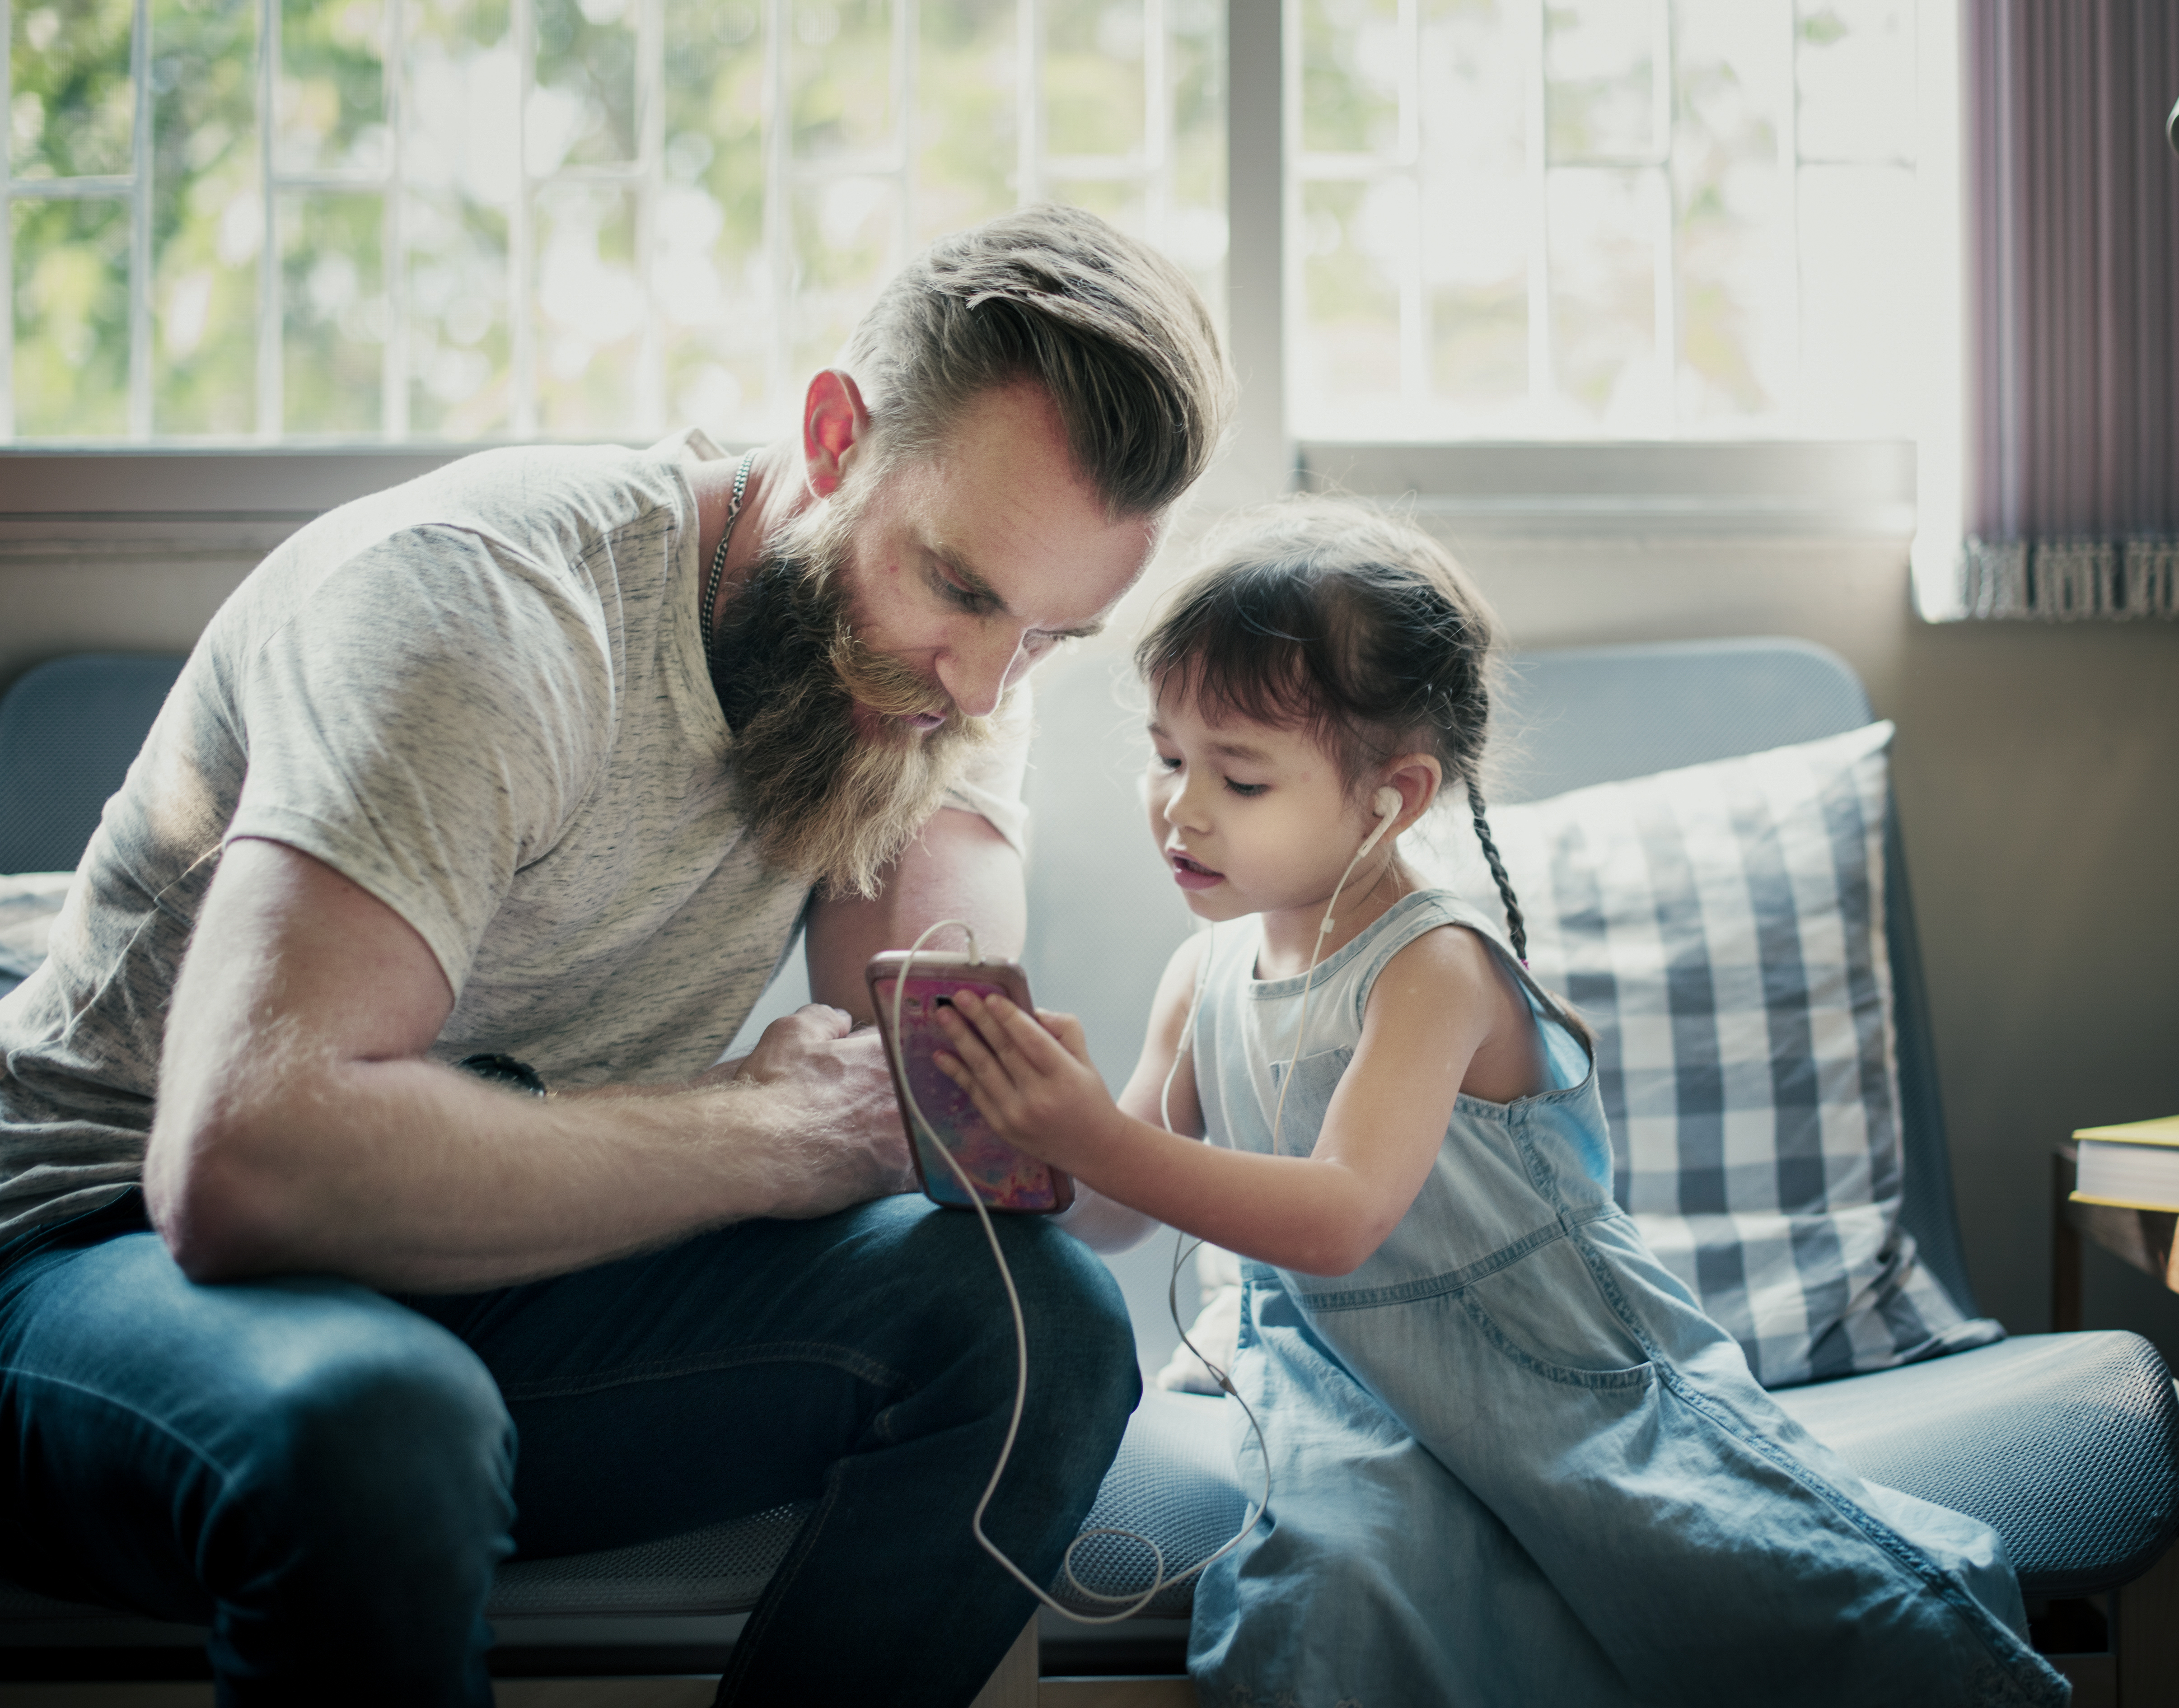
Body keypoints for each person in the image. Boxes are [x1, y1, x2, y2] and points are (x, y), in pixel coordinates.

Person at [0, 204, 1232, 1705]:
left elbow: (934, 1090)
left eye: (1054, 636)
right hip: (98, 1259)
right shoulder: (488, 613)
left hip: (517, 1264)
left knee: (1037, 1325)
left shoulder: (951, 671)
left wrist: (1143, 1101)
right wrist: (763, 1135)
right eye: (962, 592)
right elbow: (250, 1168)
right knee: (388, 1424)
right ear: (833, 436)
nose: (984, 682)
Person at [931, 500, 2069, 1708]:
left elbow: (1339, 1217)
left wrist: (1095, 1135)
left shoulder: (1432, 968)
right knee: (1325, 1595)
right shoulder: (1202, 975)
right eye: (1168, 757)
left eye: (1241, 776)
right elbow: (1119, 1213)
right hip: (1343, 1391)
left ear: (1393, 796)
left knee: (1769, 1579)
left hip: (1554, 1371)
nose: (1182, 809)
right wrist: (1029, 1141)